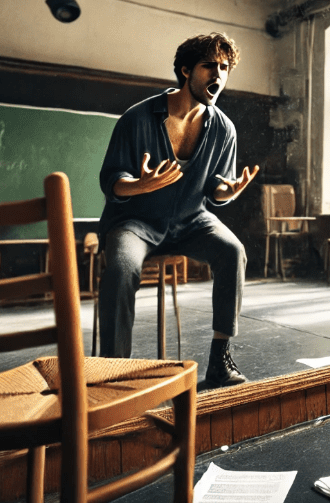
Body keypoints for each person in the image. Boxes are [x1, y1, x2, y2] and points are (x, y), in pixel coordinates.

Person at [97, 32, 259, 391]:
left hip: (191, 219)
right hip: (135, 222)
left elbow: (216, 187)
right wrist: (138, 185)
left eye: (224, 67)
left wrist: (226, 191)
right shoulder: (137, 118)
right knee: (121, 269)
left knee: (233, 251)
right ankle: (113, 372)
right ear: (186, 70)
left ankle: (220, 359)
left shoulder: (224, 128)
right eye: (209, 66)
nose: (218, 75)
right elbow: (112, 179)